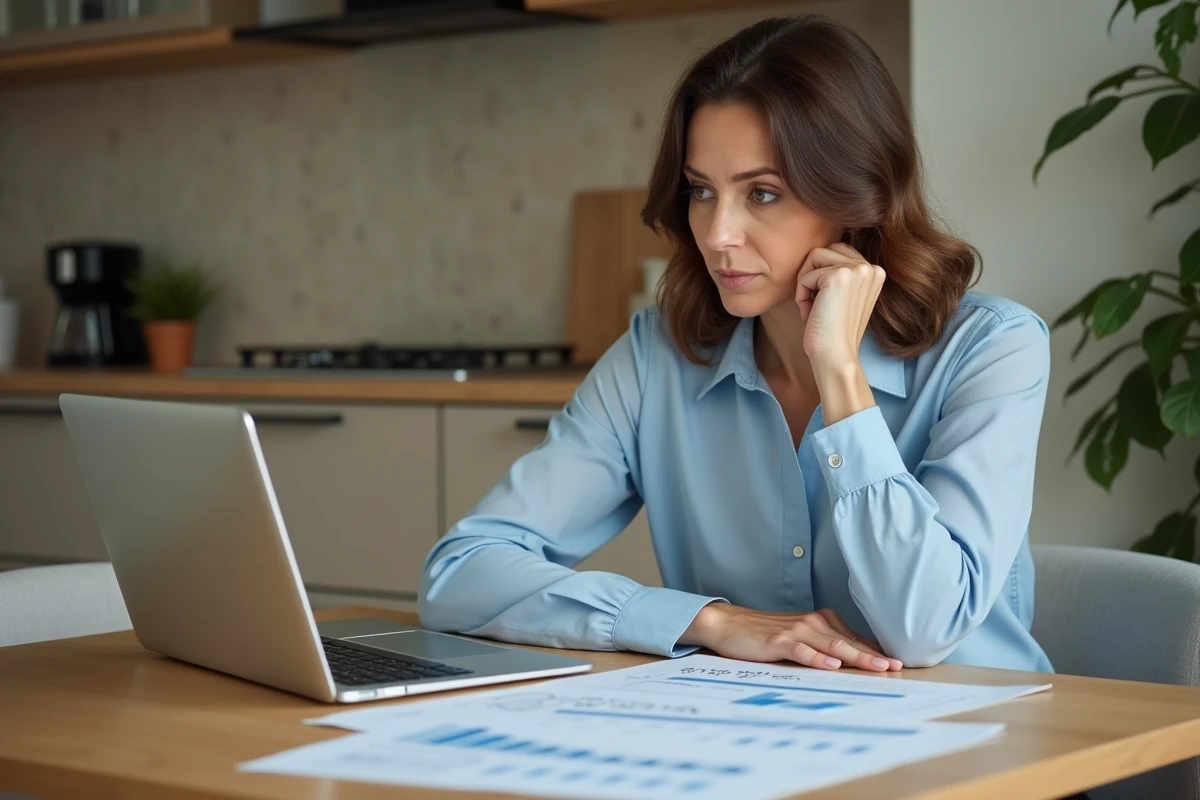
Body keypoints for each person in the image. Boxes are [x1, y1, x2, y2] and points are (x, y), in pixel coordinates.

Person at [418, 14, 1053, 674]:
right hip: (759, 745)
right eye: (701, 191)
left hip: (980, 755)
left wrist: (839, 374)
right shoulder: (655, 359)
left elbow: (925, 626)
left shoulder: (993, 351)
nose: (718, 233)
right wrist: (709, 622)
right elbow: (460, 575)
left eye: (763, 193)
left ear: (855, 193)